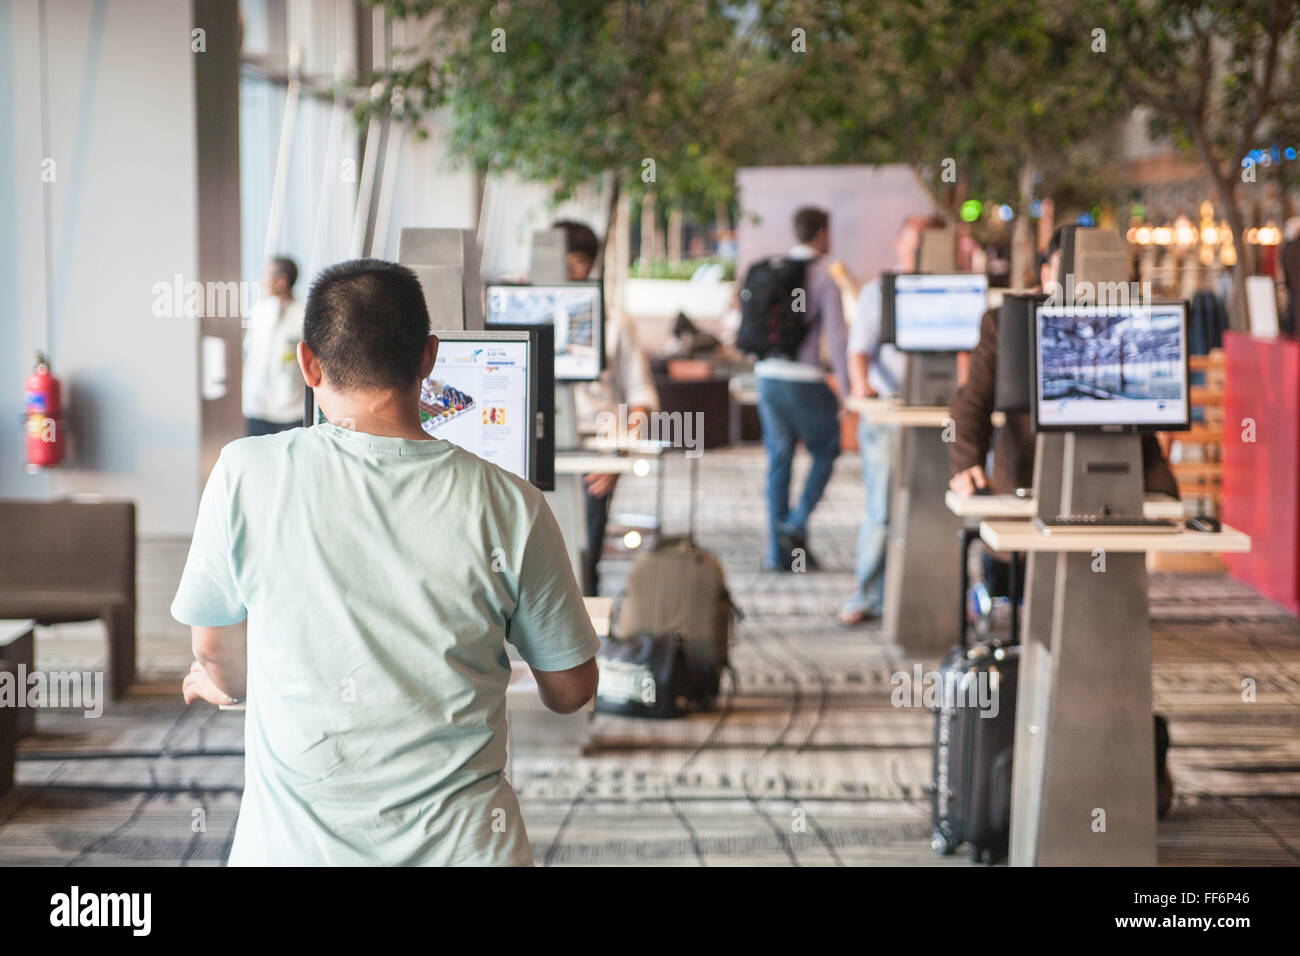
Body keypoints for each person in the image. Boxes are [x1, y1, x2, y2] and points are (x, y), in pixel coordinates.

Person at [172, 259, 600, 866]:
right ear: (429, 358)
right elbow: (571, 689)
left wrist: (225, 681)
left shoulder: (243, 473)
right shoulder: (512, 505)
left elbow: (218, 653)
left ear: (308, 363)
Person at [947, 226, 1179, 595]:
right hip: (1029, 485)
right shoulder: (1006, 322)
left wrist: (1163, 492)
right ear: (1045, 276)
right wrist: (967, 465)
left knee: (1106, 590)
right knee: (1026, 594)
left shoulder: (1128, 320)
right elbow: (970, 403)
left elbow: (1139, 416)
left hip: (1112, 483)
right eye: (1069, 275)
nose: (1084, 288)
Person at [836, 215, 931, 625]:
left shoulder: (952, 292)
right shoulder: (880, 293)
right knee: (882, 510)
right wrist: (861, 388)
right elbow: (858, 351)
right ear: (900, 246)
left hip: (935, 418)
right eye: (913, 245)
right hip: (887, 415)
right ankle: (868, 593)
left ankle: (934, 593)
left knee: (935, 509)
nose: (919, 254)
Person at [558, 220, 660, 596]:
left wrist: (619, 455)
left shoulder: (615, 322)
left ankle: (583, 647)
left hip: (595, 454)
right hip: (533, 454)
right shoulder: (520, 315)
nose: (568, 271)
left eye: (578, 260)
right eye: (559, 259)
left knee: (583, 564)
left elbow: (642, 397)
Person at [754, 206, 850, 572]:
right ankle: (794, 523)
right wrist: (845, 388)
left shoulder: (772, 270)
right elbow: (838, 338)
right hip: (805, 381)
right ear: (822, 234)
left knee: (778, 460)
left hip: (767, 376)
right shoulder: (824, 276)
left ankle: (778, 553)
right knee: (826, 451)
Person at [242, 256, 307, 436]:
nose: (262, 279)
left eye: (267, 274)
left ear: (282, 280)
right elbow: (250, 349)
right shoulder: (260, 310)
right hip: (257, 406)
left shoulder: (304, 314)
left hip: (291, 410)